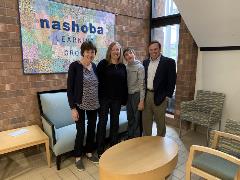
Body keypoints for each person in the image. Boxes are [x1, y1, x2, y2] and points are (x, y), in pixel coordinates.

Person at [67, 41, 99, 171]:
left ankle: (89, 152)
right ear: (83, 52)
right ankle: (78, 156)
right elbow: (70, 88)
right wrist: (72, 108)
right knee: (81, 131)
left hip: (94, 103)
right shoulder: (75, 66)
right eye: (88, 51)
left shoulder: (95, 66)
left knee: (92, 128)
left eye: (92, 52)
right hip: (79, 104)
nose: (90, 54)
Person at [96, 42, 128, 157]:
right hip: (104, 99)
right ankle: (100, 149)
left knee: (115, 123)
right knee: (102, 123)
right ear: (110, 51)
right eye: (114, 49)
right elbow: (96, 82)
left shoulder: (122, 67)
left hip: (117, 100)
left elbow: (124, 84)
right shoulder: (103, 64)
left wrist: (124, 100)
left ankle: (113, 145)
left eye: (118, 50)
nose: (116, 52)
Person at [142, 40, 176, 136]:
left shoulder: (169, 62)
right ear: (149, 51)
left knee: (160, 122)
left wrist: (167, 96)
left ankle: (160, 143)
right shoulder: (145, 62)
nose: (153, 51)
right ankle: (147, 141)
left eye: (155, 49)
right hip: (147, 95)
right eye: (151, 50)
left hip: (161, 96)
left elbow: (172, 81)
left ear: (160, 49)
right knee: (146, 121)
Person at [123, 48, 145, 138]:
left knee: (137, 118)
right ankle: (130, 136)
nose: (129, 55)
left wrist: (141, 101)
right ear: (125, 58)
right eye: (126, 55)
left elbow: (142, 84)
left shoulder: (140, 67)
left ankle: (136, 138)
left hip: (137, 95)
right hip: (128, 95)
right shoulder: (125, 67)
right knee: (130, 117)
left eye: (130, 53)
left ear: (134, 54)